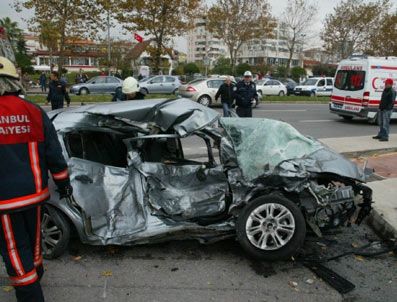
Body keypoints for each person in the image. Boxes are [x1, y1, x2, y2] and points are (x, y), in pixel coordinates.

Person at [0, 56, 73, 302]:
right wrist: (64, 184)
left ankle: (30, 294)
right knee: (33, 242)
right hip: (33, 195)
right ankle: (35, 273)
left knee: (13, 248)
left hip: (4, 202)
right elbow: (54, 154)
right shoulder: (33, 111)